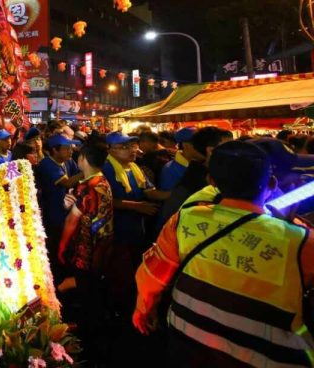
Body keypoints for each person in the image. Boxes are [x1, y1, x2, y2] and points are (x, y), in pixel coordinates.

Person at [133, 141, 314, 367]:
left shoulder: (187, 217)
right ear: (272, 182)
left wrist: (144, 308)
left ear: (212, 180)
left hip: (189, 339)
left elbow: (152, 274)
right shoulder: (300, 241)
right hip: (265, 356)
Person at [102, 131, 169, 314]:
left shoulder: (135, 168)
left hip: (137, 230)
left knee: (134, 270)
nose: (131, 150)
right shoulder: (106, 169)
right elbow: (106, 200)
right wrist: (136, 206)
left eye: (132, 146)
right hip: (118, 231)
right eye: (124, 147)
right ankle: (117, 311)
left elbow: (150, 191)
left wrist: (175, 195)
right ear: (111, 150)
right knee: (120, 274)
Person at [58, 141, 113, 340]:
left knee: (84, 286)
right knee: (91, 283)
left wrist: (62, 247)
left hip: (86, 246)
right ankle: (89, 323)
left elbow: (72, 221)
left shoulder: (86, 186)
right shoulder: (103, 181)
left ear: (83, 159)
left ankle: (85, 328)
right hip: (101, 243)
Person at [35, 134, 84, 280]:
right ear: (54, 151)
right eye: (66, 148)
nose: (71, 151)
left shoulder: (68, 162)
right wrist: (89, 170)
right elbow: (68, 182)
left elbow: (77, 176)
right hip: (53, 212)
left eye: (71, 148)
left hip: (67, 210)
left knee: (67, 244)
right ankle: (55, 277)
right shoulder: (47, 164)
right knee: (56, 244)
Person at [159, 127, 200, 191]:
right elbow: (170, 196)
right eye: (199, 144)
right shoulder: (170, 169)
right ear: (186, 145)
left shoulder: (201, 163)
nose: (203, 147)